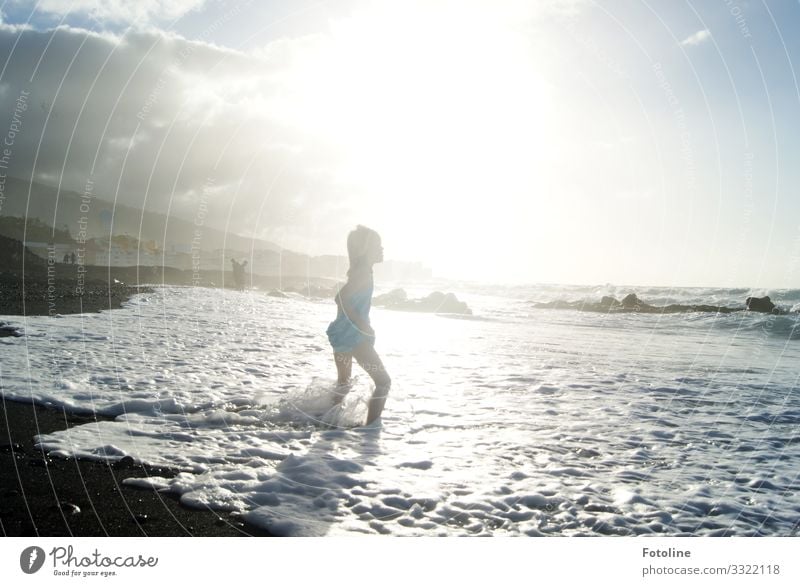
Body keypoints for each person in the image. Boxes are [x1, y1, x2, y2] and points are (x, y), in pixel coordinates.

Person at [326, 225, 391, 425]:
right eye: (378, 245)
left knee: (344, 384)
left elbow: (342, 300)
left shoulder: (361, 270)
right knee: (383, 382)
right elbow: (341, 298)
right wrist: (362, 324)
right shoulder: (363, 272)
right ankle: (370, 432)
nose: (382, 249)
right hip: (355, 338)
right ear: (366, 249)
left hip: (342, 334)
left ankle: (327, 422)